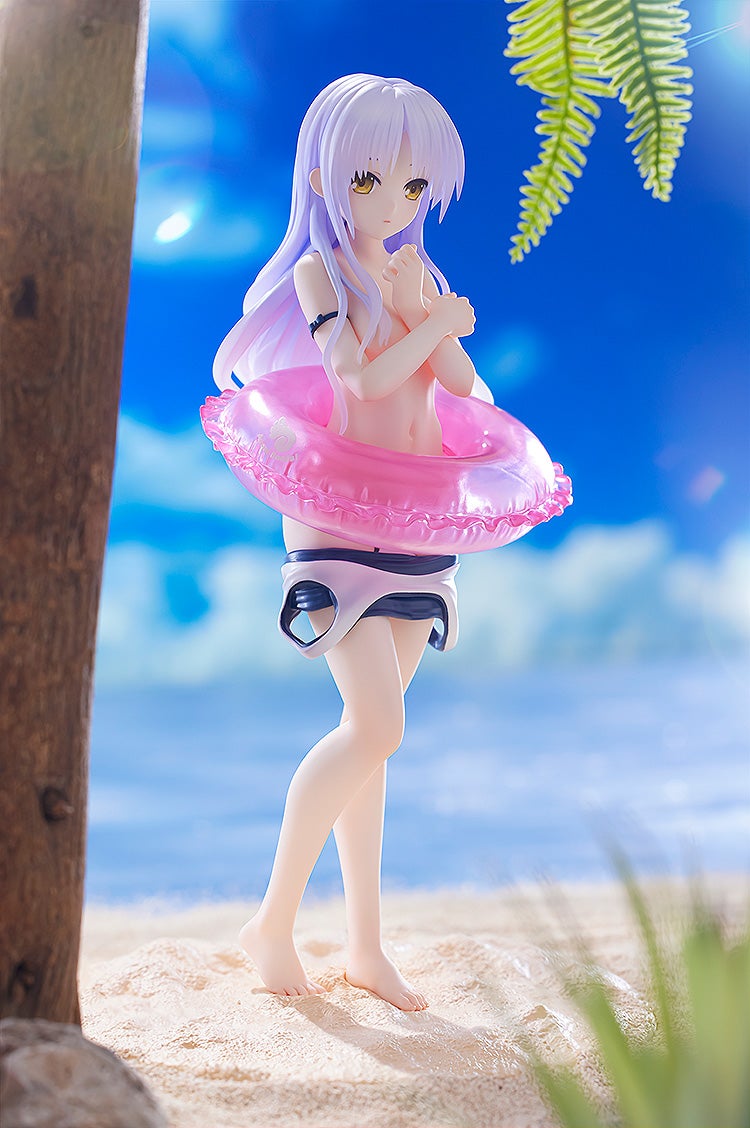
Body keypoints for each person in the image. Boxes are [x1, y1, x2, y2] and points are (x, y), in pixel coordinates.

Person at [213, 74, 478, 1011]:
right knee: (376, 726)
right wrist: (426, 322)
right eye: (370, 179)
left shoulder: (417, 275)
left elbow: (462, 387)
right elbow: (358, 381)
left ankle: (366, 945)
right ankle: (271, 922)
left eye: (412, 186)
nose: (393, 203)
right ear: (325, 177)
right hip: (338, 530)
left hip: (414, 527)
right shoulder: (318, 275)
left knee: (373, 742)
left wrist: (428, 314)